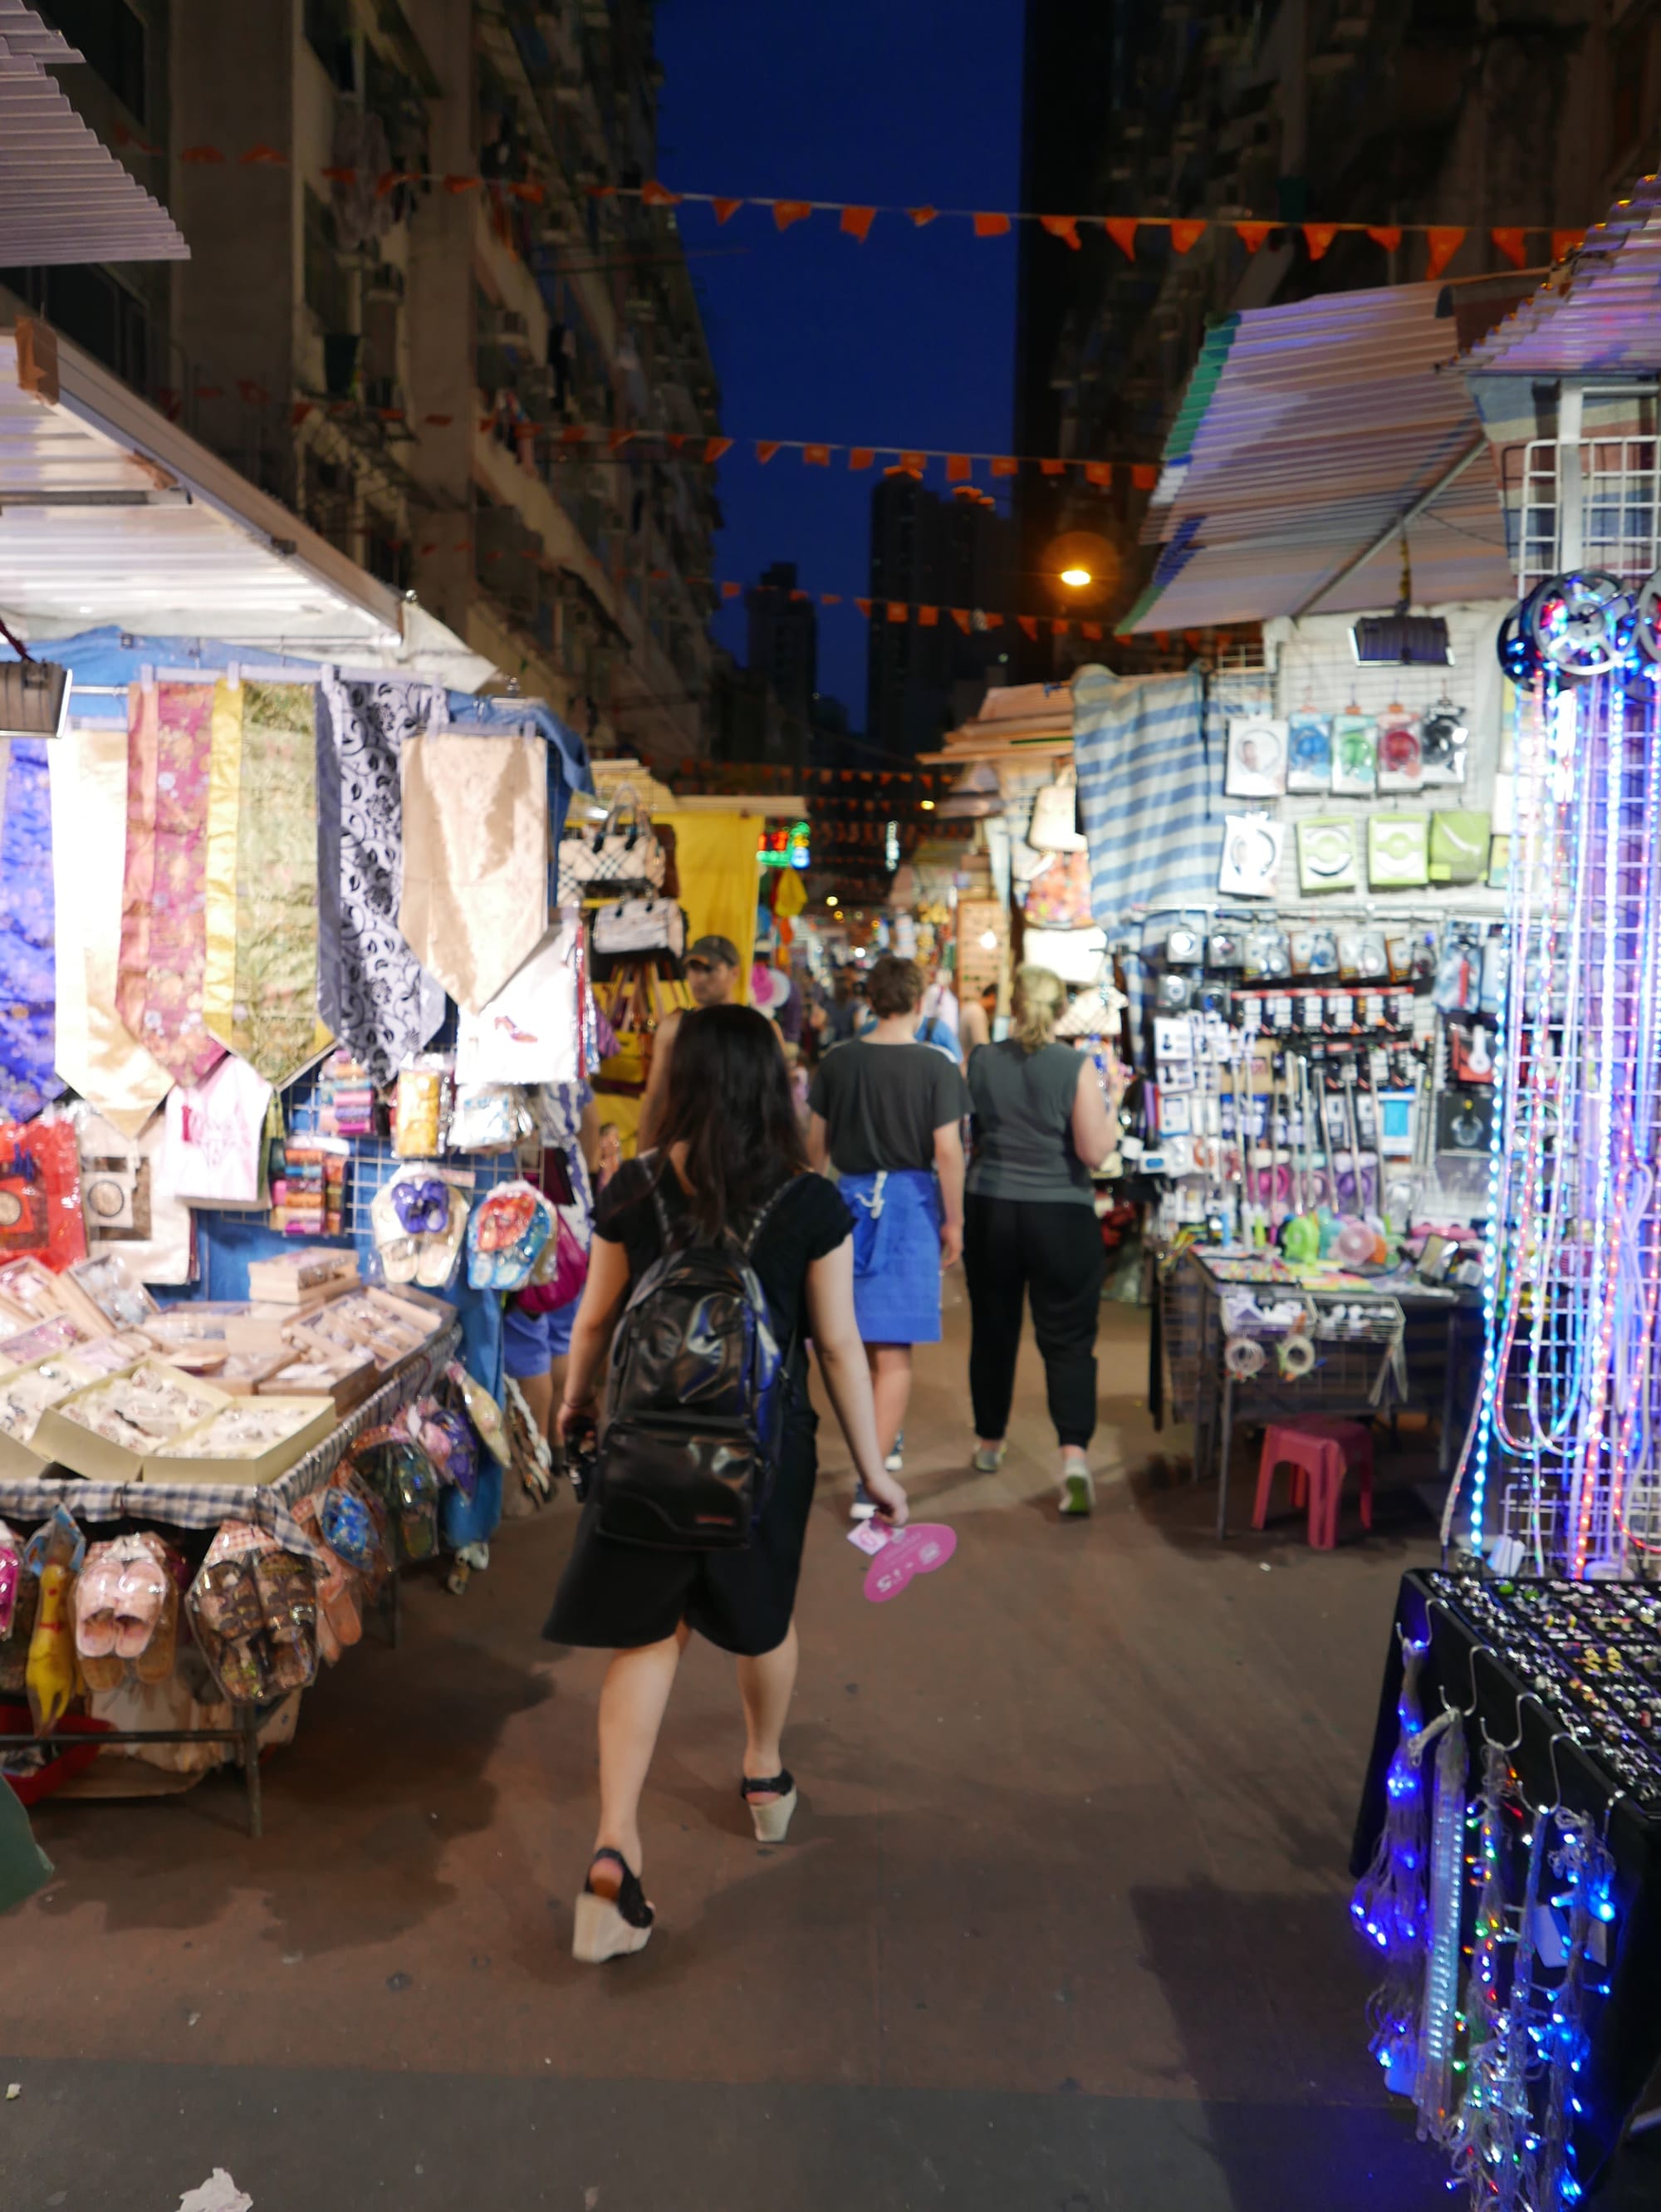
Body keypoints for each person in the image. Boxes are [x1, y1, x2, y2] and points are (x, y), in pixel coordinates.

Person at [548, 1004, 905, 1963]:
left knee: (646, 1630)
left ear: (681, 1082)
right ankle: (761, 1775)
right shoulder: (808, 1202)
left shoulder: (632, 1187)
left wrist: (575, 1407)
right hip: (763, 1448)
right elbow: (834, 1344)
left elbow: (592, 1321)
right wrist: (873, 1469)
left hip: (644, 1446)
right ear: (772, 1085)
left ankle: (613, 1850)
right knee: (763, 1615)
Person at [806, 954, 968, 1515]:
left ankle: (877, 1450)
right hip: (910, 1208)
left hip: (846, 1206)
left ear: (869, 1001)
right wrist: (955, 1221)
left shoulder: (837, 1062)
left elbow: (814, 1151)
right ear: (920, 1002)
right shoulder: (938, 1066)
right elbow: (948, 1151)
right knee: (893, 1354)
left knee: (846, 1342)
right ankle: (868, 1482)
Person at [963, 964, 1117, 1518]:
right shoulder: (1074, 1066)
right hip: (1061, 1214)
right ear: (1059, 1011)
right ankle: (1073, 1459)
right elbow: (1094, 1152)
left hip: (992, 1206)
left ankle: (988, 1443)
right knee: (1069, 1339)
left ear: (1015, 1001)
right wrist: (1115, 1099)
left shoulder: (981, 1060)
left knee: (994, 1329)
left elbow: (968, 1130)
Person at [639, 934, 740, 1146]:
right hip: (684, 1149)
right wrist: (642, 1165)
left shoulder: (756, 1030)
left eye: (709, 969)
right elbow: (655, 1101)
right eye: (693, 968)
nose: (699, 978)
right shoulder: (673, 1029)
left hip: (739, 1150)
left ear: (734, 973)